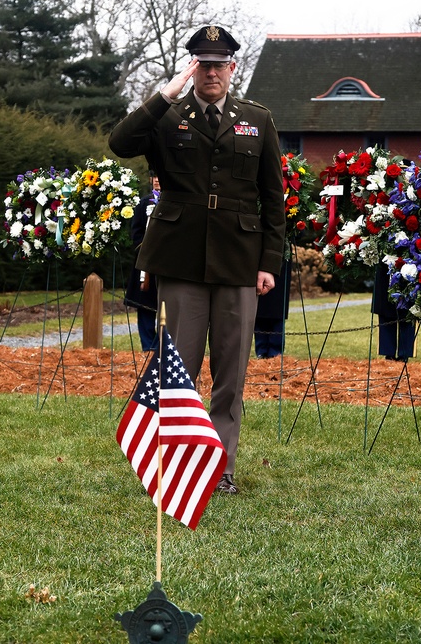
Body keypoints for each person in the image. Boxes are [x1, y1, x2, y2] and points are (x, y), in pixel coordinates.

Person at [108, 25, 285, 495]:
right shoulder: (167, 117)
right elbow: (120, 143)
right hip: (181, 261)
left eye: (218, 64)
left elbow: (273, 198)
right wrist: (164, 94)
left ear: (232, 68)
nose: (211, 72)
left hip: (239, 263)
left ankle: (221, 470)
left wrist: (268, 262)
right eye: (202, 65)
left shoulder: (257, 119)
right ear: (192, 68)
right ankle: (176, 467)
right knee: (177, 371)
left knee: (231, 374)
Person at [123, 172, 161, 351]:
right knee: (144, 305)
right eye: (154, 177)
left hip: (167, 264)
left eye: (160, 176)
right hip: (145, 263)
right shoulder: (143, 202)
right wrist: (144, 250)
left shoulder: (174, 203)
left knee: (165, 305)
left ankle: (160, 346)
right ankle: (148, 347)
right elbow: (136, 232)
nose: (157, 180)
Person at [372, 263, 416, 361]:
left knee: (408, 311)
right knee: (385, 307)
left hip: (408, 265)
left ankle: (404, 355)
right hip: (385, 266)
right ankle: (388, 353)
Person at [254, 257, 290, 358]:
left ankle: (275, 353)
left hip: (280, 262)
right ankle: (261, 351)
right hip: (257, 262)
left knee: (277, 311)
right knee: (259, 310)